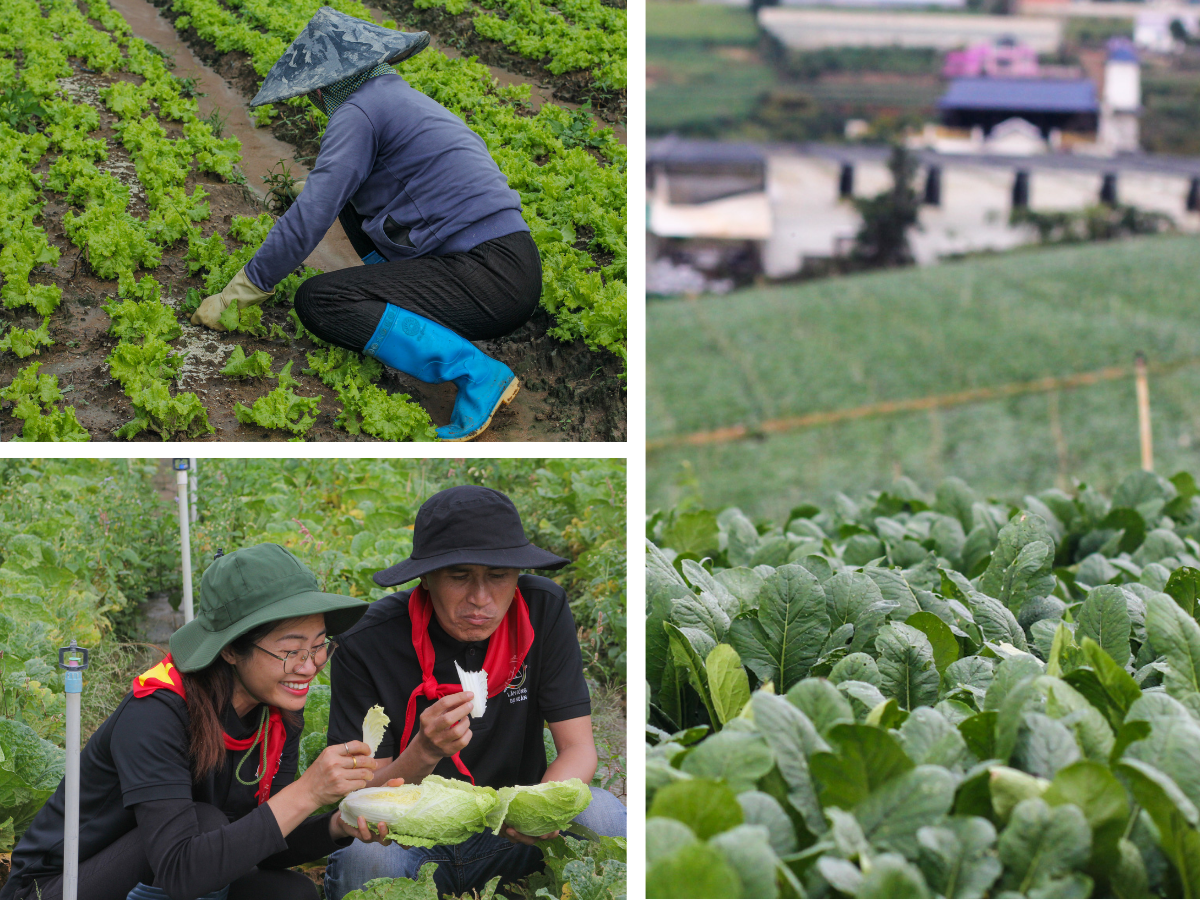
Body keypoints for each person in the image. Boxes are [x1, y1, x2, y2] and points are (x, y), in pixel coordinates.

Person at [188, 8, 537, 442]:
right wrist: (319, 188)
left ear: (327, 83)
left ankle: (476, 373)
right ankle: (392, 300)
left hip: (489, 277)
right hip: (504, 262)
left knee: (320, 301)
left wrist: (243, 289)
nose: (313, 99)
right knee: (344, 199)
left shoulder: (359, 112)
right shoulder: (392, 96)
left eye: (313, 90)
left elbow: (314, 213)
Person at [1, 544, 399, 900]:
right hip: (59, 887)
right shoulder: (156, 712)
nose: (309, 666)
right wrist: (309, 791)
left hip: (174, 871)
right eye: (291, 650)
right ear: (229, 650)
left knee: (292, 893)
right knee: (206, 820)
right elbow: (180, 871)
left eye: (319, 646)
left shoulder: (277, 714)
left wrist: (338, 824)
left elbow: (269, 841)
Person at [322, 485, 626, 899]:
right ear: (425, 578)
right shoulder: (366, 641)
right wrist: (424, 751)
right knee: (367, 861)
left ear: (517, 575)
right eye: (459, 576)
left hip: (514, 834)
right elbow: (362, 796)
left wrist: (537, 811)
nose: (480, 599)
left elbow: (578, 748)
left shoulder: (543, 610)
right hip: (409, 839)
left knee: (605, 815)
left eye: (498, 576)